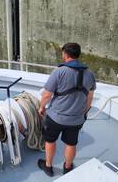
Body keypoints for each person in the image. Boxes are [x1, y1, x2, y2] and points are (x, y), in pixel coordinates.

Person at [37, 43, 96, 176]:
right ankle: (68, 167)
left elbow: (47, 95)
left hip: (56, 117)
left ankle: (48, 167)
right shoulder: (90, 74)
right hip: (76, 119)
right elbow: (90, 97)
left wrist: (41, 108)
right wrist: (84, 113)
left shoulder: (59, 71)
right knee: (71, 144)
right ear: (78, 55)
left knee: (50, 141)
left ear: (66, 55)